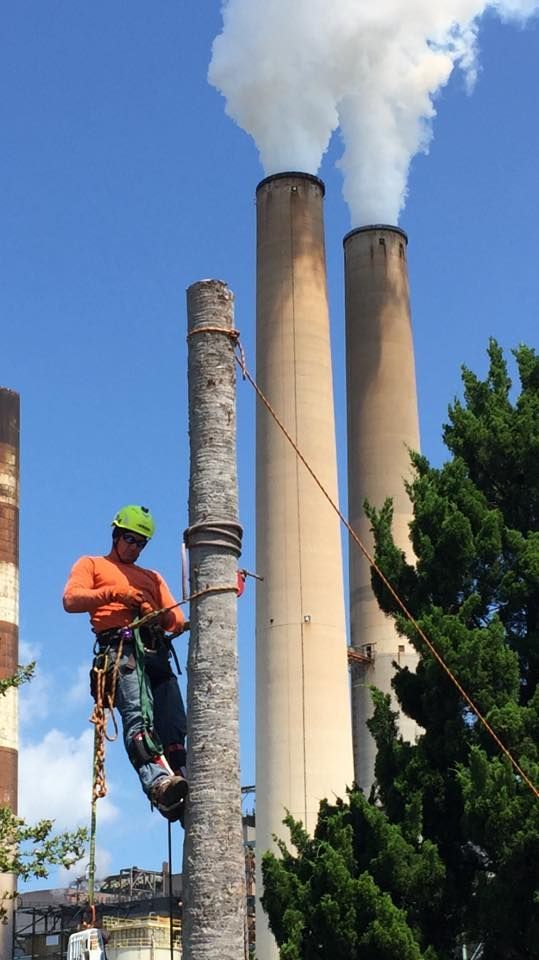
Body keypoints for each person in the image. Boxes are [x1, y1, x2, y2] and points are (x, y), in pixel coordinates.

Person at [63, 505, 188, 823]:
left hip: (154, 651)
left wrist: (154, 610)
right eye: (131, 539)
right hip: (122, 651)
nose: (135, 547)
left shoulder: (152, 577)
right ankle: (159, 785)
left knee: (173, 723)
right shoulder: (91, 564)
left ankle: (181, 771)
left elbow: (177, 620)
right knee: (138, 720)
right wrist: (115, 593)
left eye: (142, 543)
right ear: (116, 535)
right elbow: (71, 600)